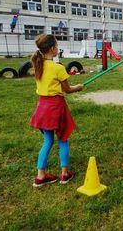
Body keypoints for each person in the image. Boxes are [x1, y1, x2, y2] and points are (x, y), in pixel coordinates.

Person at [30, 34, 84, 187]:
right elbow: (67, 89)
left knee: (48, 141)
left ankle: (40, 176)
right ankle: (64, 174)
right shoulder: (58, 68)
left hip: (42, 107)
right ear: (53, 49)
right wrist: (78, 87)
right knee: (63, 138)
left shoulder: (38, 66)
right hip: (56, 107)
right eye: (57, 46)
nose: (58, 49)